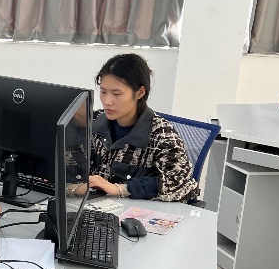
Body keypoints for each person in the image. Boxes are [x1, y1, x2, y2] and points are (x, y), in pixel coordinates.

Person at [69, 53, 198, 203]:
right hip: (96, 206)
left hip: (139, 211)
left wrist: (120, 189)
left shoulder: (161, 135)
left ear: (140, 93)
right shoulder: (94, 123)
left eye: (116, 93)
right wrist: (73, 188)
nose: (107, 101)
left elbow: (180, 184)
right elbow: (64, 165)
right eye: (103, 92)